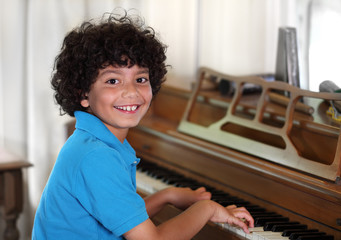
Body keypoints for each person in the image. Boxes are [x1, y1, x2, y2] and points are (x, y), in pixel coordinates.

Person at [32, 10, 254, 240]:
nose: (131, 92)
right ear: (83, 93)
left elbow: (119, 218)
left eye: (140, 79)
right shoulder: (96, 157)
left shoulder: (93, 141)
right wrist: (207, 209)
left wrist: (166, 196)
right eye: (112, 80)